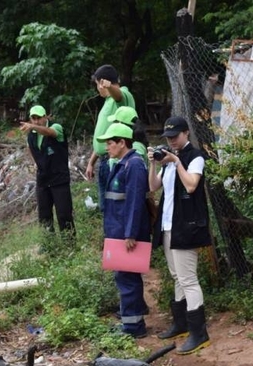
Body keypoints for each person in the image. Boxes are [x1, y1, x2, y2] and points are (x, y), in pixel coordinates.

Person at [147, 116, 212, 354]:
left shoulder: (195, 157)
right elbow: (154, 187)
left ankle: (199, 333)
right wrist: (154, 163)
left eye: (175, 136)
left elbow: (191, 185)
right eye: (168, 137)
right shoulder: (168, 161)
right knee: (177, 277)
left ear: (186, 133)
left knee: (188, 279)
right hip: (167, 226)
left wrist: (176, 161)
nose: (172, 140)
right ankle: (182, 324)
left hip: (187, 227)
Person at [97, 122, 150, 338]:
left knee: (127, 279)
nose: (107, 147)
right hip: (117, 230)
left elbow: (135, 202)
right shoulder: (122, 163)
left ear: (122, 143)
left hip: (125, 234)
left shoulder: (134, 164)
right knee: (124, 278)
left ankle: (133, 327)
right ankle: (130, 323)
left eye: (110, 143)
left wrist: (130, 233)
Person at [85, 64, 136, 211]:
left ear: (103, 83)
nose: (97, 89)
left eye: (97, 85)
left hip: (114, 160)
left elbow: (119, 95)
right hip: (104, 160)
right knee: (105, 206)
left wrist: (109, 87)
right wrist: (91, 162)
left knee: (115, 205)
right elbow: (104, 137)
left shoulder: (123, 95)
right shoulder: (107, 101)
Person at [20, 105, 75, 237]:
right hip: (43, 178)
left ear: (46, 117)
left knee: (63, 213)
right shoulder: (31, 136)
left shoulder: (56, 127)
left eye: (39, 118)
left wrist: (33, 127)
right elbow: (31, 150)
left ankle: (69, 245)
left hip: (59, 178)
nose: (37, 121)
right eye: (34, 118)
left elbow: (50, 133)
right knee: (44, 215)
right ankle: (48, 245)